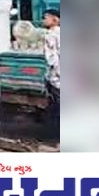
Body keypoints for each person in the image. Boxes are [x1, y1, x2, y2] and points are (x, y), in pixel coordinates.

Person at [41, 8, 60, 137]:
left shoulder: (51, 35)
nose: (43, 20)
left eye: (46, 17)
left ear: (55, 19)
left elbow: (51, 59)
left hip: (56, 77)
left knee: (55, 106)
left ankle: (53, 135)